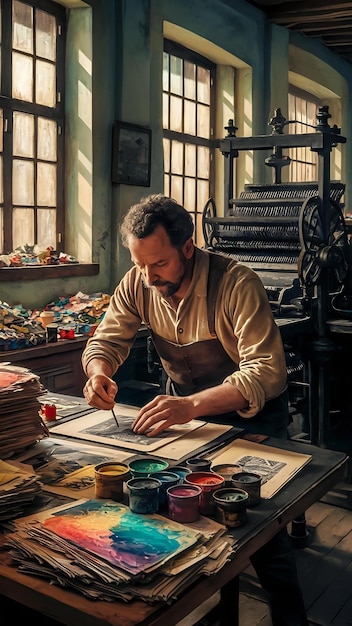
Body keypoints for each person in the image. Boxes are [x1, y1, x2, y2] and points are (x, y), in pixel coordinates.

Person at [81, 193, 308, 626]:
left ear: (188, 247)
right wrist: (97, 372)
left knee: (261, 534)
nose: (147, 277)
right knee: (184, 516)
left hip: (251, 419)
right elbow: (106, 341)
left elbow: (267, 371)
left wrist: (192, 405)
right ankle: (219, 609)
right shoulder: (138, 282)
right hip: (184, 418)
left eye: (159, 265)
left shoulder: (236, 283)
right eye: (140, 264)